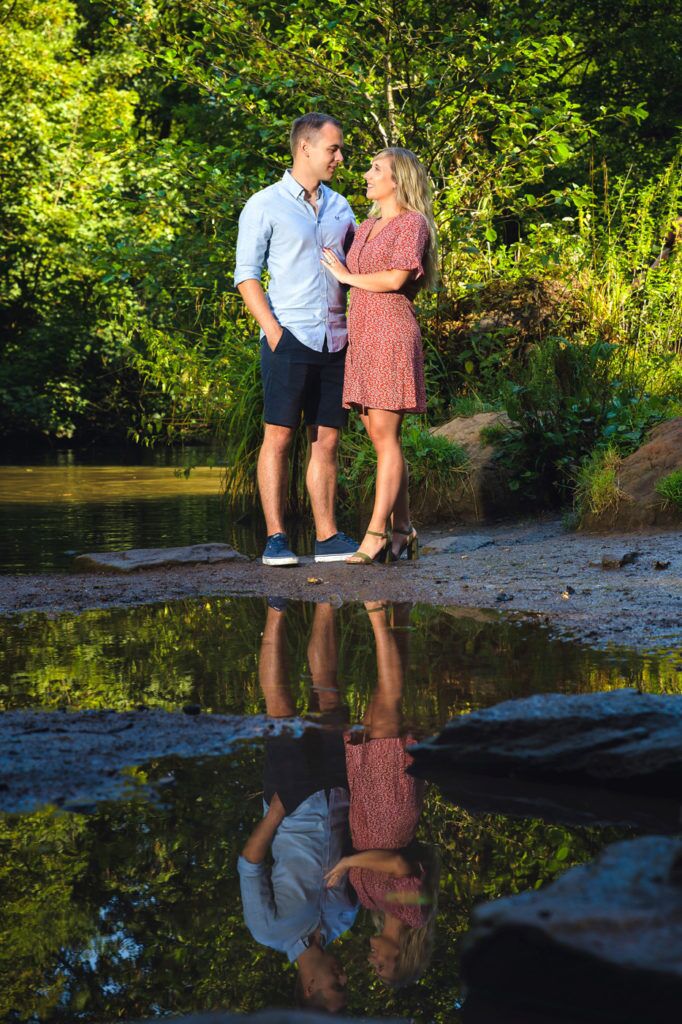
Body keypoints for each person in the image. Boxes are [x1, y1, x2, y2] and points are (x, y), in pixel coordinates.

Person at [234, 112, 358, 566]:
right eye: (333, 149)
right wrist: (273, 332)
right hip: (289, 338)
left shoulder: (341, 205)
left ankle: (327, 537)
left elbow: (354, 265)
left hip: (336, 339)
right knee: (279, 437)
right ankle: (276, 538)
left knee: (326, 440)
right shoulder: (264, 204)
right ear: (304, 148)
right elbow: (246, 274)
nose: (340, 157)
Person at [238, 600, 357, 1012]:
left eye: (336, 987)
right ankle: (325, 600)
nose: (344, 977)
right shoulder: (346, 920)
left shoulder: (268, 931)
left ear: (310, 989)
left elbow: (250, 864)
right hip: (339, 793)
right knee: (328, 691)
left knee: (281, 705)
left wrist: (275, 812)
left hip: (290, 804)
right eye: (347, 985)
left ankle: (275, 606)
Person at [320, 147, 438, 564]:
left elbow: (395, 278)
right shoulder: (366, 224)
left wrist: (345, 276)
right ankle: (403, 529)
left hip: (391, 333)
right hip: (363, 336)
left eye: (376, 169)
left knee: (386, 439)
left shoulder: (413, 223)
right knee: (380, 439)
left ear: (397, 180)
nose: (367, 174)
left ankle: (375, 536)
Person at [323, 602, 440, 988]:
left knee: (380, 706)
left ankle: (401, 610)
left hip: (368, 809)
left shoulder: (370, 904)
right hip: (390, 813)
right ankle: (376, 611)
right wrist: (347, 863)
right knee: (387, 708)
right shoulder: (415, 917)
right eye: (382, 967)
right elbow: (397, 866)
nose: (373, 962)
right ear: (402, 957)